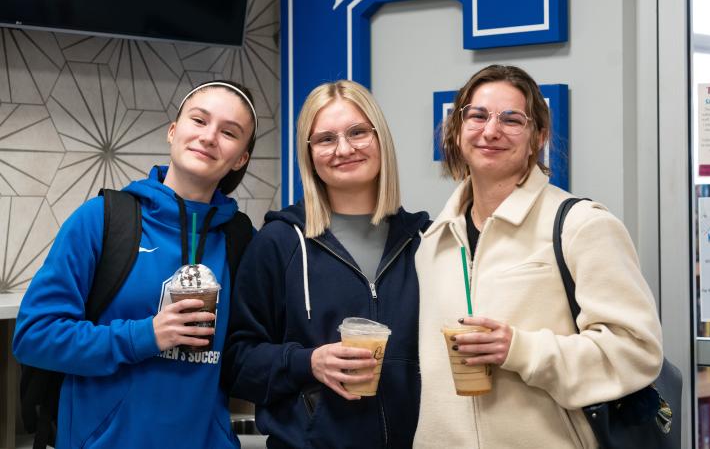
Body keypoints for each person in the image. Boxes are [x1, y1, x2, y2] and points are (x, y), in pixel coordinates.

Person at [413, 65, 664, 448]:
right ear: (457, 130)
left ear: (538, 137)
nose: (491, 131)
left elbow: (636, 350)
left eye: (512, 119)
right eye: (477, 116)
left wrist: (521, 349)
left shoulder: (581, 225)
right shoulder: (433, 241)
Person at [13, 80, 258, 449]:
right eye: (198, 120)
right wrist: (146, 336)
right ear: (173, 131)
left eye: (229, 132)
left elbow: (247, 351)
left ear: (240, 157)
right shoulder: (101, 220)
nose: (209, 137)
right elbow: (35, 337)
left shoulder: (241, 239)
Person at [223, 79, 429, 449]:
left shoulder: (424, 241)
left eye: (358, 132)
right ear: (310, 154)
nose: (344, 149)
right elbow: (235, 362)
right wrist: (308, 362)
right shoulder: (280, 241)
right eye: (326, 139)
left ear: (380, 139)